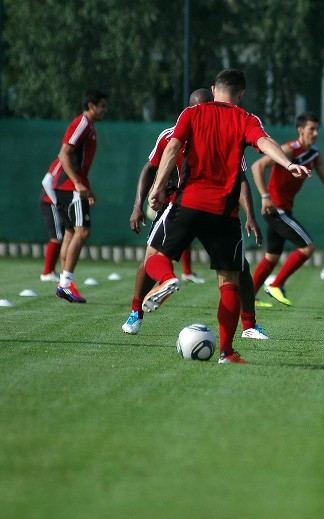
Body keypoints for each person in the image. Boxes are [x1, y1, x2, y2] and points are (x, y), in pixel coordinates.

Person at [142, 68, 310, 364]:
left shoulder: (192, 114)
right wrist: (286, 164)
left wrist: (157, 187)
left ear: (214, 88)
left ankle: (167, 279)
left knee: (155, 256)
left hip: (189, 202)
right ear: (241, 94)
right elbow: (264, 143)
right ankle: (227, 351)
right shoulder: (246, 119)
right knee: (229, 282)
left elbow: (172, 149)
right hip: (224, 211)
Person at [121, 89, 268, 341]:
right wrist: (138, 204)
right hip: (177, 205)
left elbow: (241, 178)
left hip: (212, 207)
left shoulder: (225, 134)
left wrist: (250, 215)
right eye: (198, 107)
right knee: (149, 260)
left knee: (239, 267)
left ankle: (249, 326)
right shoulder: (170, 135)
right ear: (189, 109)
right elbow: (150, 167)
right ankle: (136, 313)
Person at [251, 111, 324, 306]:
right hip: (276, 209)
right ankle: (277, 285)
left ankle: (247, 298)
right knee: (308, 246)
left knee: (272, 256)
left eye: (317, 129)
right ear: (300, 130)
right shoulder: (288, 150)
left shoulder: (314, 154)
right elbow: (257, 167)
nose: (315, 133)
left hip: (283, 209)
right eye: (311, 129)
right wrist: (265, 196)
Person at [46, 89, 108, 303]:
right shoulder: (82, 123)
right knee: (83, 232)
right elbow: (64, 152)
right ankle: (65, 283)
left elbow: (78, 161)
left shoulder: (89, 126)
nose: (104, 110)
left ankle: (64, 283)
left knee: (72, 232)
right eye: (102, 106)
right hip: (68, 187)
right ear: (91, 105)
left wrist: (86, 186)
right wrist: (77, 183)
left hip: (69, 186)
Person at [37, 186, 63, 282]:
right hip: (50, 202)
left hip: (54, 202)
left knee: (60, 237)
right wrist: (55, 201)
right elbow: (47, 181)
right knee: (57, 237)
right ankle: (47, 272)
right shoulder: (63, 169)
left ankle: (51, 271)